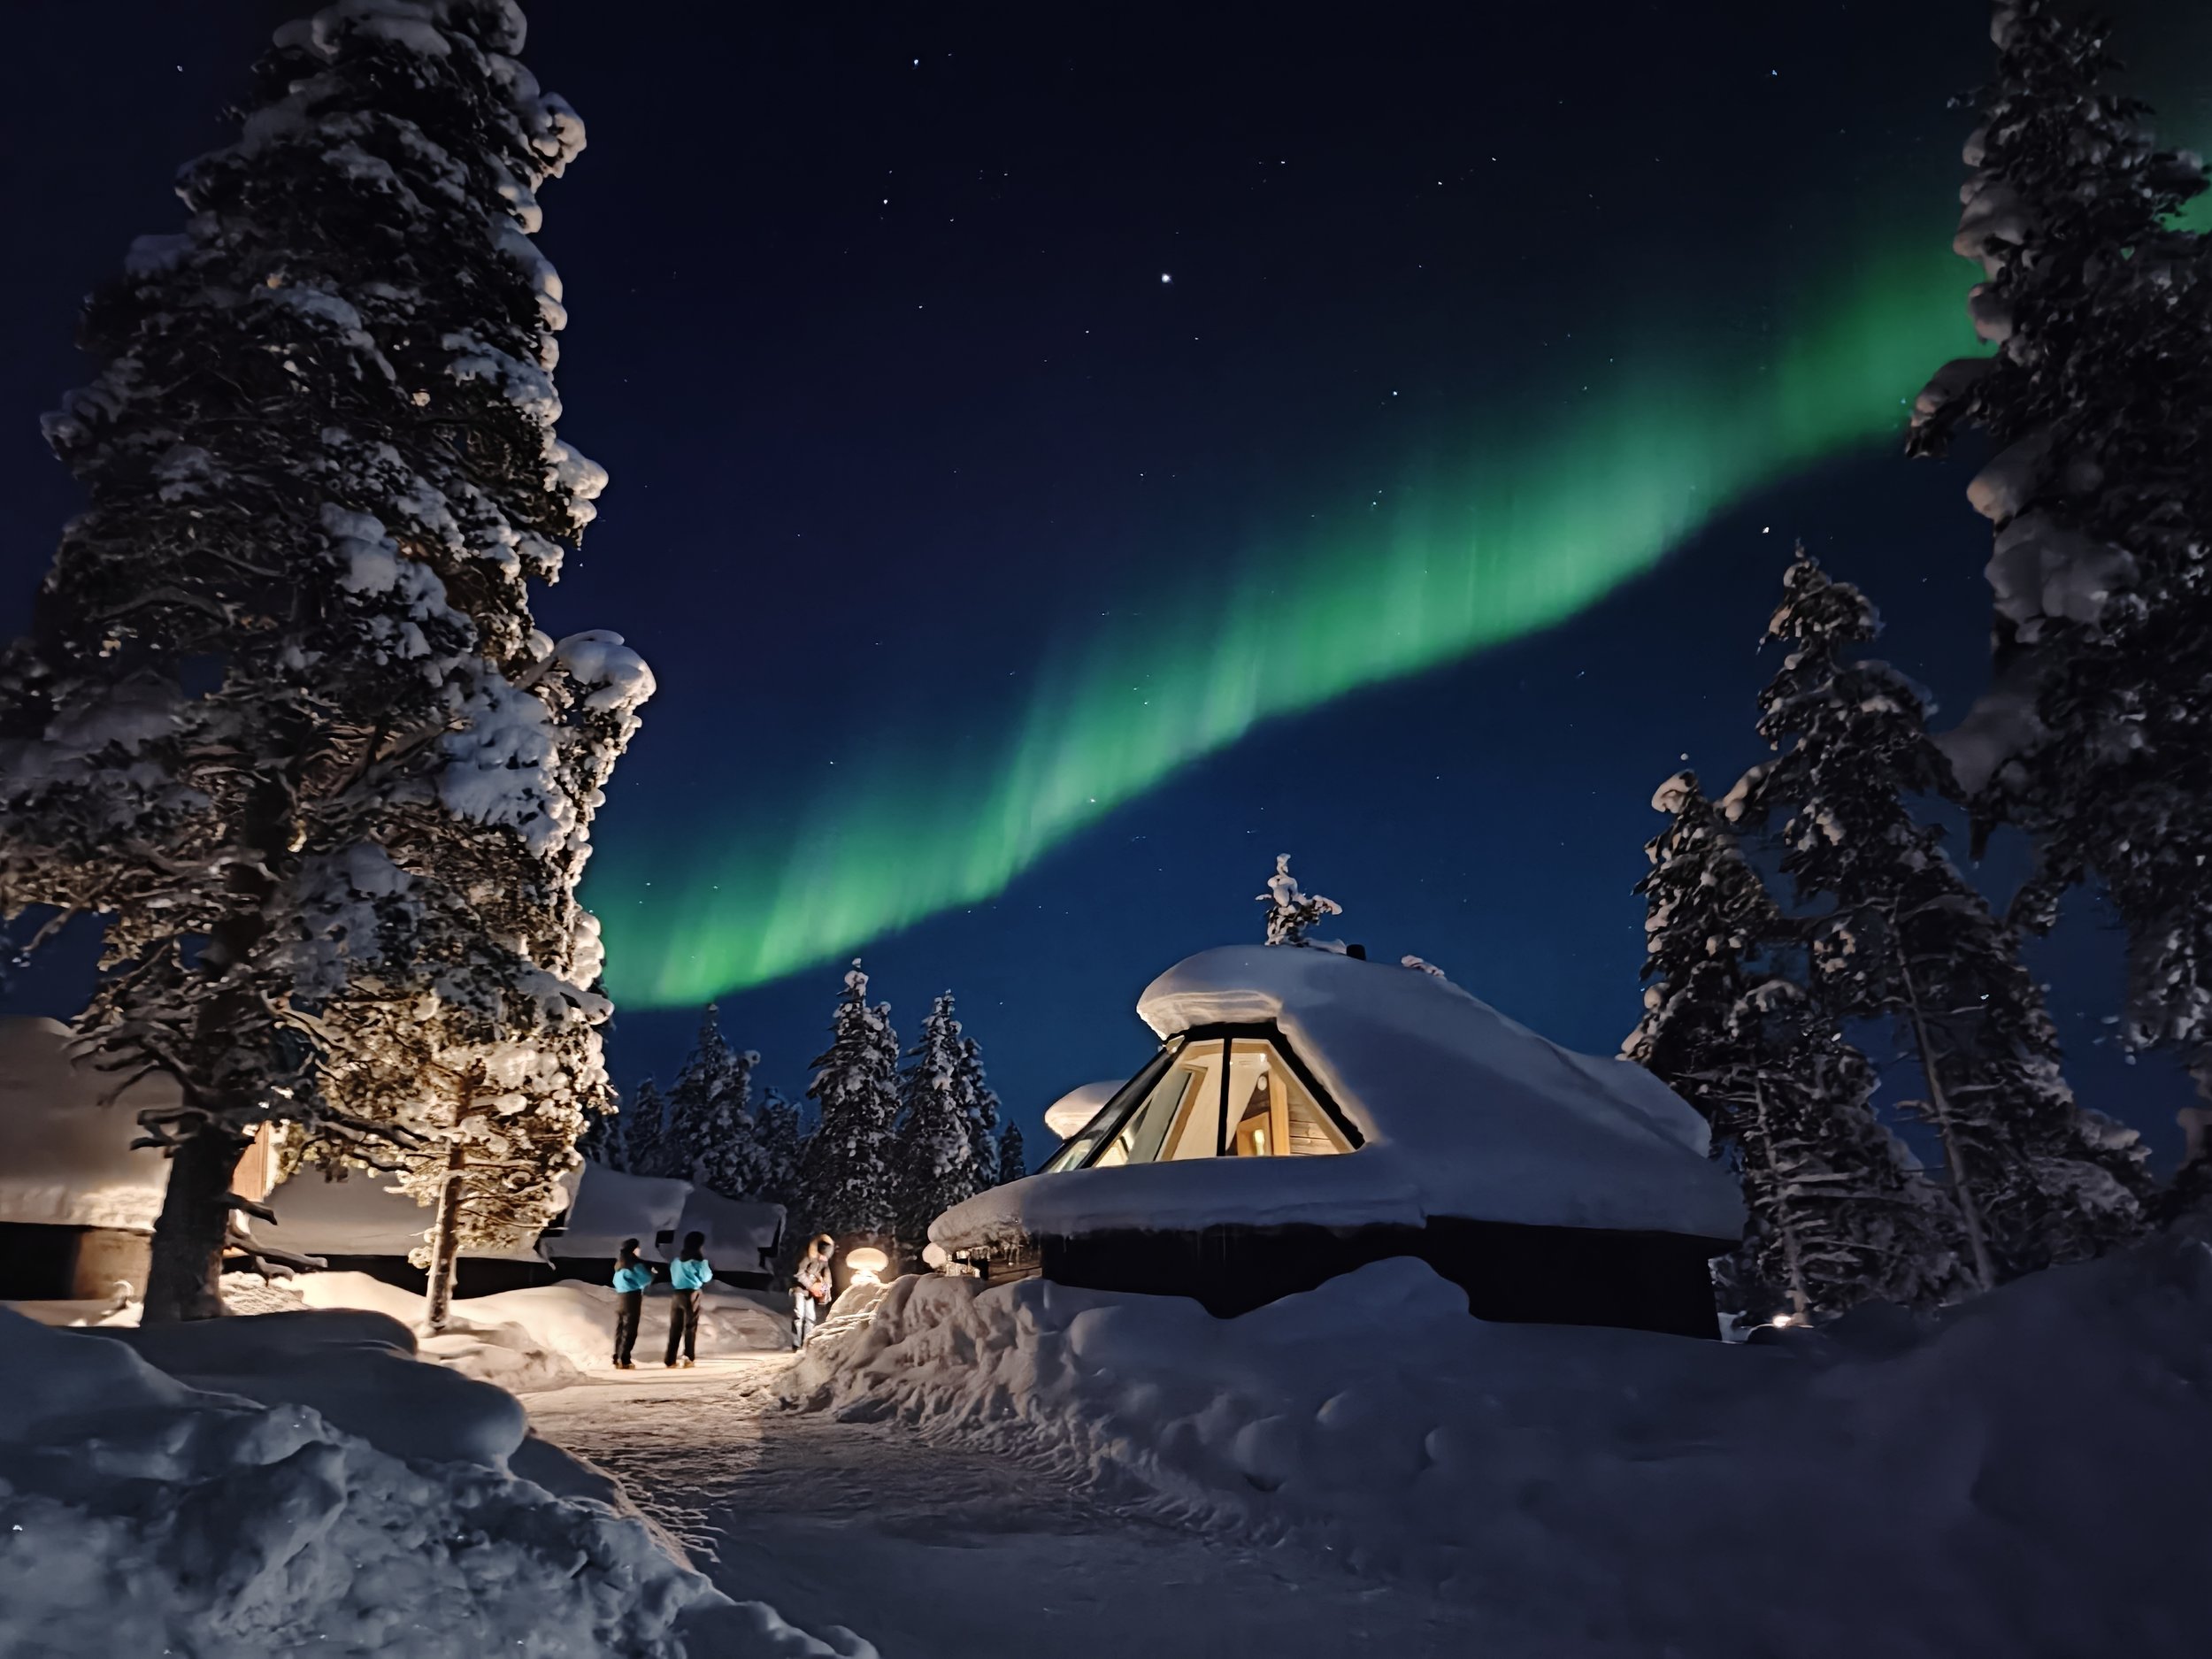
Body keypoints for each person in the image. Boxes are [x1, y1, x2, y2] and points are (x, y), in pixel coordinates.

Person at [664, 1230, 713, 1368]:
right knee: (690, 1327)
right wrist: (704, 1264)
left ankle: (670, 1359)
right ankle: (688, 1357)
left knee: (675, 1327)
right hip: (692, 1293)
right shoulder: (697, 1261)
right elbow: (706, 1277)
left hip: (676, 1294)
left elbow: (673, 1275)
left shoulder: (676, 1261)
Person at [611, 1238, 652, 1369]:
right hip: (632, 1298)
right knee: (630, 1329)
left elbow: (615, 1281)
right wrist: (653, 1273)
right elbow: (645, 1279)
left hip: (620, 1297)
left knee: (621, 1328)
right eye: (638, 1248)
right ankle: (625, 1359)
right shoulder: (635, 1264)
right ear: (634, 1250)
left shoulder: (619, 1265)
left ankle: (617, 1357)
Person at [791, 1233, 834, 1348]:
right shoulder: (806, 1257)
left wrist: (823, 1289)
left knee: (811, 1318)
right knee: (799, 1315)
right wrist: (811, 1286)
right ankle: (796, 1344)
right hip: (800, 1289)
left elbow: (827, 1278)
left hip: (812, 1292)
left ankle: (806, 1344)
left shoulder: (824, 1261)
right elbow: (798, 1274)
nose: (824, 1258)